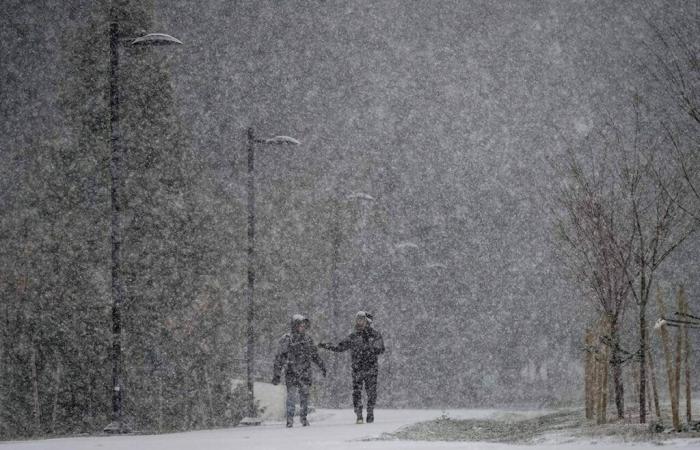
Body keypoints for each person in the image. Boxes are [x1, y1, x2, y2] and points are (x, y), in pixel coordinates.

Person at [319, 311, 384, 424]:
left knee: (371, 392)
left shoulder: (375, 335)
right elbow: (340, 347)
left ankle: (370, 412)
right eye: (357, 320)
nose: (359, 322)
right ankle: (359, 414)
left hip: (371, 369)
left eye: (361, 320)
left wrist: (368, 346)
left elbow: (381, 349)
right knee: (357, 392)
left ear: (367, 322)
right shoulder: (353, 336)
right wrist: (327, 346)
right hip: (357, 369)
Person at [272, 314, 326, 427]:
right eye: (301, 325)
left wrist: (322, 366)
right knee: (291, 397)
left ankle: (303, 418)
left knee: (304, 397)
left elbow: (314, 355)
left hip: (305, 373)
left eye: (304, 326)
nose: (303, 328)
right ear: (295, 326)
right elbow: (280, 357)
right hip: (291, 372)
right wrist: (277, 374)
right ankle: (290, 419)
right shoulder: (287, 339)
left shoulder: (307, 339)